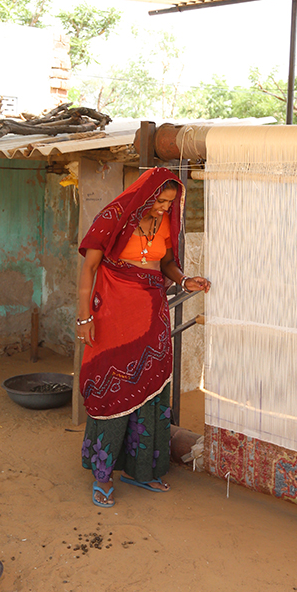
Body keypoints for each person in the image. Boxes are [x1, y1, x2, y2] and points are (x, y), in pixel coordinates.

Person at [76, 166, 211, 508]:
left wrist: (184, 280)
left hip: (151, 313)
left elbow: (165, 264)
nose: (165, 208)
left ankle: (142, 470)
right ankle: (103, 474)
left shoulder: (163, 222)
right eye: (161, 201)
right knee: (115, 387)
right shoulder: (115, 216)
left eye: (170, 203)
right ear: (146, 194)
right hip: (113, 316)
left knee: (151, 386)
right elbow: (89, 269)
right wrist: (83, 318)